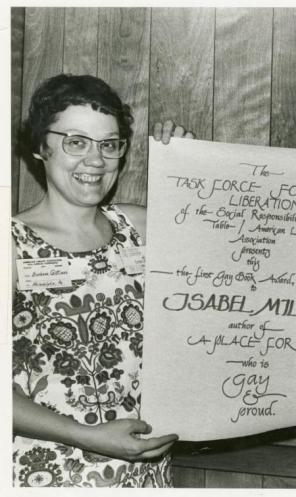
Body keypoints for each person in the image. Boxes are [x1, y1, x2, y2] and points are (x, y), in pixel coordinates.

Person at [12, 73, 193, 487]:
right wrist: (88, 436)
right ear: (41, 147)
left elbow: (239, 246)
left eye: (109, 145)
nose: (95, 160)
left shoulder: (139, 227)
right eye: (76, 142)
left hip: (146, 477)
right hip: (47, 477)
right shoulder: (11, 245)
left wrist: (190, 162)